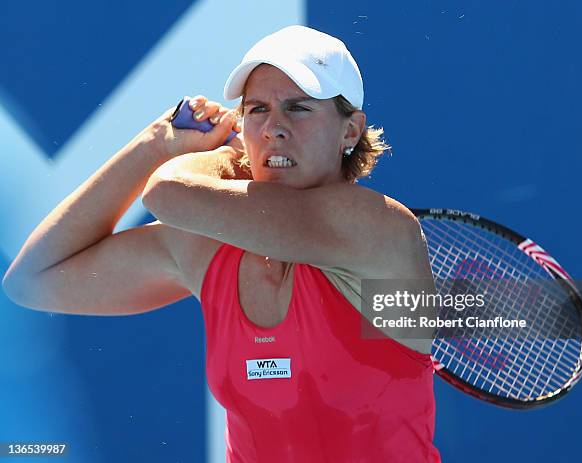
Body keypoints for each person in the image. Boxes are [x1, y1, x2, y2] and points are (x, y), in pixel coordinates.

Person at [3, 25, 441, 462]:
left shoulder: (376, 228)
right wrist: (154, 143)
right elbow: (33, 282)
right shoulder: (205, 249)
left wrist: (227, 154)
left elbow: (167, 194)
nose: (274, 128)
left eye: (299, 108)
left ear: (351, 131)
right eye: (257, 110)